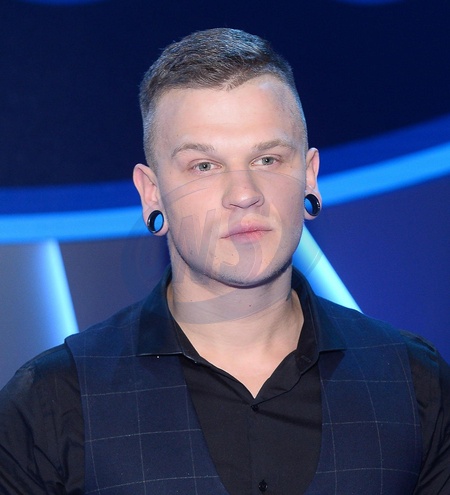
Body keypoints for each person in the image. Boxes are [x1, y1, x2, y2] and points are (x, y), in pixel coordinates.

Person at [0, 28, 449, 495]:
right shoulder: (51, 403)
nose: (244, 194)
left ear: (310, 176)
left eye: (268, 159)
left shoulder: (415, 383)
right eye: (204, 166)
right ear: (152, 193)